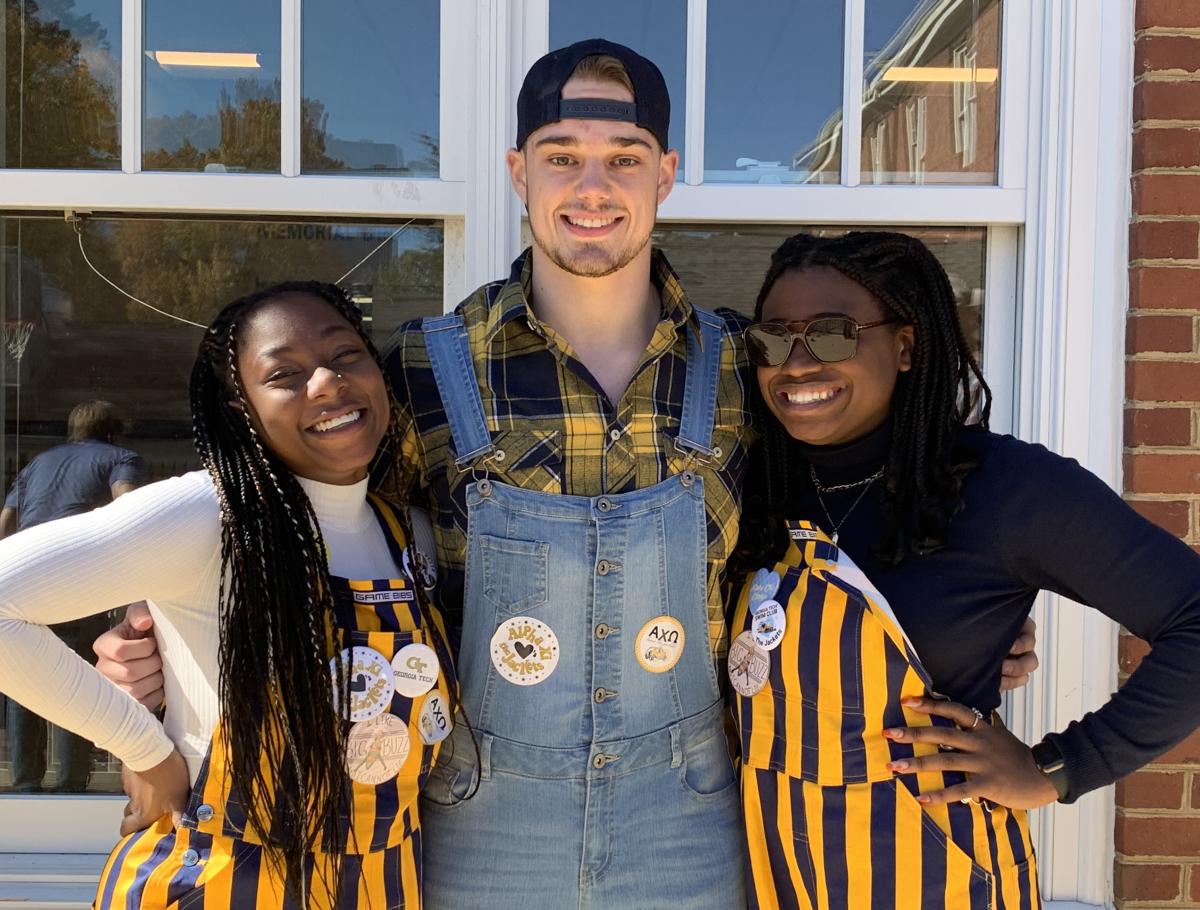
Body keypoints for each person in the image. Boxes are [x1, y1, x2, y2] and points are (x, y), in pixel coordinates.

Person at [93, 43, 1036, 910]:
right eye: (561, 154)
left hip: (693, 821)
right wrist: (159, 652)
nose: (593, 185)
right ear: (520, 172)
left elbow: (821, 531)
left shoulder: (743, 368)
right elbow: (307, 541)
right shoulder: (423, 370)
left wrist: (959, 617)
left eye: (625, 156)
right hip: (475, 821)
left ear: (666, 174)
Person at [729, 231, 1200, 909]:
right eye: (774, 339)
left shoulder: (1003, 490)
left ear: (906, 345)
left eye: (833, 334)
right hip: (782, 877)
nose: (797, 364)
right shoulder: (757, 489)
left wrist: (1057, 770)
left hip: (938, 879)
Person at [0, 282, 455, 908]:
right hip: (220, 880)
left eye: (346, 355)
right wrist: (143, 749)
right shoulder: (207, 514)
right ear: (240, 406)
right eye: (284, 374)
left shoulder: (412, 534)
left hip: (383, 884)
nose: (326, 382)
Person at [0, 399, 145, 792]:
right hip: (76, 576)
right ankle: (69, 783)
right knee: (77, 679)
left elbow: (6, 522)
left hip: (22, 575)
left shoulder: (36, 464)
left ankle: (26, 781)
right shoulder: (119, 456)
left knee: (27, 677)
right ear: (114, 432)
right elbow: (130, 507)